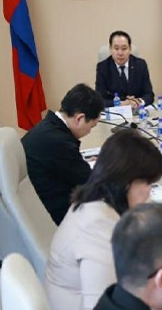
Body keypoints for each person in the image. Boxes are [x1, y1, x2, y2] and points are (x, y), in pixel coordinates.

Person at [44, 129, 162, 310]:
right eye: (148, 184)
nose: (150, 193)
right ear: (128, 183)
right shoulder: (96, 229)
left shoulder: (93, 205)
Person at [21, 83, 103, 224]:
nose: (89, 132)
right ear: (79, 118)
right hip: (55, 216)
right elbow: (91, 183)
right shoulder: (59, 142)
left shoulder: (49, 127)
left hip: (37, 205)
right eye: (91, 126)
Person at [95, 30, 154, 108]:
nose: (120, 53)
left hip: (137, 111)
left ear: (130, 49)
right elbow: (99, 100)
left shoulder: (140, 65)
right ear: (110, 49)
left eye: (124, 48)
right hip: (115, 112)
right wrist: (121, 103)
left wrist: (138, 101)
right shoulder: (103, 67)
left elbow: (149, 95)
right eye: (116, 48)